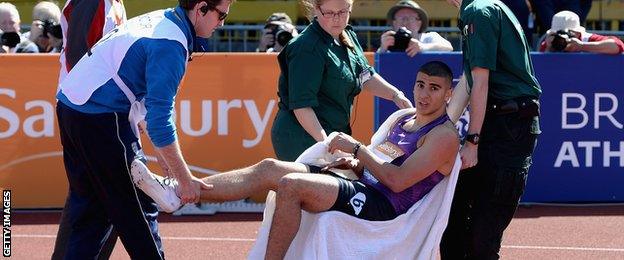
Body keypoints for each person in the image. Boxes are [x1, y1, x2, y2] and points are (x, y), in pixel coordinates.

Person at [131, 60, 460, 259]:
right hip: (359, 182)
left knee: (290, 185)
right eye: (420, 85)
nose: (423, 94)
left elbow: (398, 180)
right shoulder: (404, 120)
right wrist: (352, 162)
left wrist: (358, 150)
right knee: (269, 168)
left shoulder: (443, 136)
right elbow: (378, 163)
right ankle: (177, 191)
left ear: (449, 93)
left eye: (434, 88)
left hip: (381, 206)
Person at [53, 0, 229, 258]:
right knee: (139, 208)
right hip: (100, 116)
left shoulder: (164, 19)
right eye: (221, 15)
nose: (222, 23)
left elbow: (149, 106)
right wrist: (184, 179)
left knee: (91, 214)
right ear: (201, 8)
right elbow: (160, 120)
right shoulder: (170, 43)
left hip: (72, 107)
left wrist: (164, 154)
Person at [440, 0, 542, 259]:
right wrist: (440, 127)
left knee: (481, 238)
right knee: (454, 227)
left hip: (507, 126)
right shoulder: (479, 9)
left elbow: (481, 82)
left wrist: (472, 140)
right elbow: (470, 80)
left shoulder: (478, 11)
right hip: (500, 123)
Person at [271, 0, 413, 162]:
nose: (337, 19)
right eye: (329, 13)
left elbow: (365, 75)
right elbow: (302, 106)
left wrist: (395, 95)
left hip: (333, 134)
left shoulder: (348, 35)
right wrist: (326, 144)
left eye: (343, 12)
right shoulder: (306, 47)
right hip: (301, 137)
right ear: (317, 9)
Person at [51, 0, 127, 259]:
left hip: (97, 110)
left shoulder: (113, 3)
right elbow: (77, 56)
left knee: (98, 197)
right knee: (102, 196)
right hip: (89, 110)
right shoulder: (93, 1)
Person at [378, 0, 453, 56]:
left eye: (411, 18)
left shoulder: (429, 37)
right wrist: (382, 49)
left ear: (419, 23)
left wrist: (422, 47)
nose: (405, 22)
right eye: (401, 18)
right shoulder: (389, 42)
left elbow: (448, 47)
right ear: (394, 23)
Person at [538, 10, 624, 54]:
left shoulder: (587, 39)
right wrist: (548, 48)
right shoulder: (551, 43)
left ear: (578, 32)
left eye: (568, 34)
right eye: (558, 33)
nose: (563, 38)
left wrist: (582, 46)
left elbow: (618, 46)